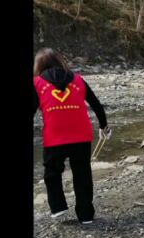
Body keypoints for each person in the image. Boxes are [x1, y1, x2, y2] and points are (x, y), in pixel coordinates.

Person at [32, 48, 111, 225]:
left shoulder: (37, 83)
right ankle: (86, 215)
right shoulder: (78, 79)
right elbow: (96, 104)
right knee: (82, 173)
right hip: (81, 135)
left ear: (39, 66)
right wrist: (103, 126)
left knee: (52, 172)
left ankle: (58, 206)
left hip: (54, 136)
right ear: (60, 62)